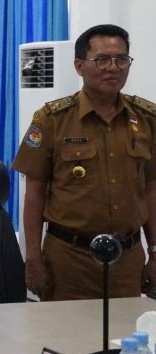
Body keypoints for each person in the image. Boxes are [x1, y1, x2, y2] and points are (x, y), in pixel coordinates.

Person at [13, 24, 156, 301]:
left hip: (127, 261)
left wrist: (154, 251)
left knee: (124, 328)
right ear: (79, 66)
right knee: (68, 329)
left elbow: (151, 189)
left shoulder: (147, 119)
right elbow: (34, 194)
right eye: (102, 59)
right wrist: (33, 258)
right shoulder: (52, 119)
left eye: (121, 59)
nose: (113, 67)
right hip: (69, 260)